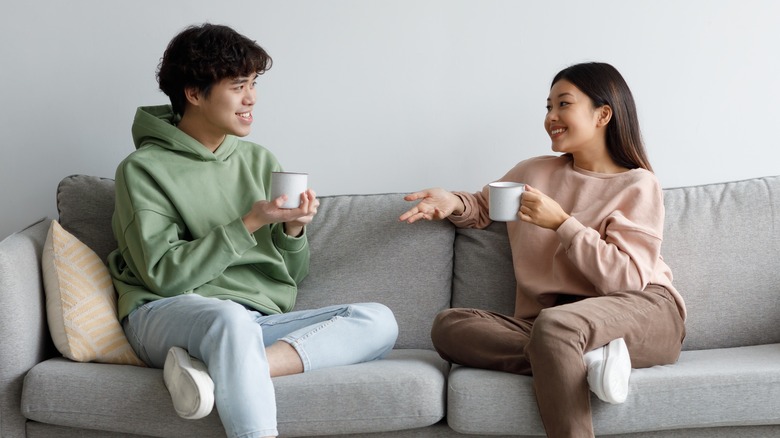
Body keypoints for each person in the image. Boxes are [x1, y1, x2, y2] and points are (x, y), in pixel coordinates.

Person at [108, 23, 398, 438]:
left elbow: (290, 277)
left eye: (254, 83)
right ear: (193, 93)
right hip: (163, 313)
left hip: (252, 322)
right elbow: (164, 276)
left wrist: (293, 232)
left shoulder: (259, 160)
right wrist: (250, 221)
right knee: (229, 321)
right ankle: (233, 366)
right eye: (238, 85)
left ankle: (219, 370)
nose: (251, 99)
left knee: (378, 321)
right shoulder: (142, 170)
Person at [399, 62, 686, 438]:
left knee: (556, 328)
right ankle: (582, 355)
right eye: (548, 107)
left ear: (603, 114)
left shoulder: (637, 184)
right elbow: (484, 208)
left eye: (563, 104)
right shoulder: (533, 172)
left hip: (643, 310)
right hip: (553, 323)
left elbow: (628, 280)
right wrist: (451, 201)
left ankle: (568, 350)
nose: (551, 117)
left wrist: (562, 224)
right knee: (449, 326)